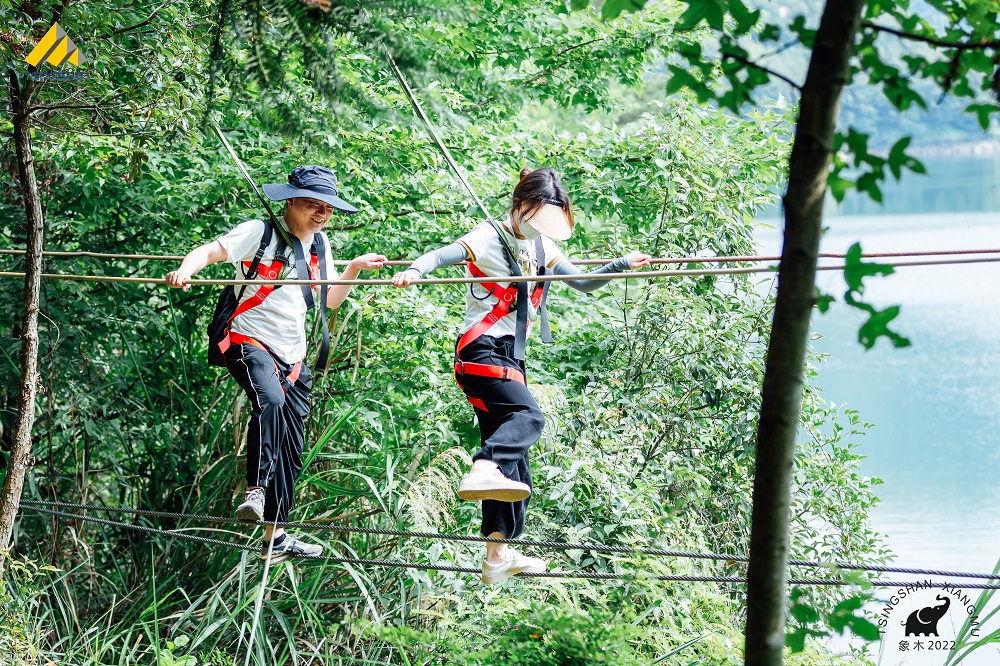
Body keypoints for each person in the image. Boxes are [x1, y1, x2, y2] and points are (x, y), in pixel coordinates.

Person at [392, 167, 650, 583]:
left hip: (511, 356)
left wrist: (621, 263)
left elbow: (582, 283)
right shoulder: (487, 236)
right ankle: (484, 464)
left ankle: (497, 554)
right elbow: (440, 256)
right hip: (481, 350)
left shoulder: (543, 243)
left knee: (516, 467)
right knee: (528, 418)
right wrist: (415, 271)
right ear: (519, 205)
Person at [166, 165, 386, 562]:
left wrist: (353, 268)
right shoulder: (260, 232)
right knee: (269, 399)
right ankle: (255, 491)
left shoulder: (320, 245)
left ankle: (277, 536)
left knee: (291, 446)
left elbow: (328, 301)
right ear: (290, 202)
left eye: (328, 208)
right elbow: (210, 252)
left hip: (294, 357)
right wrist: (185, 270)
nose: (322, 214)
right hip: (247, 340)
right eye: (313, 205)